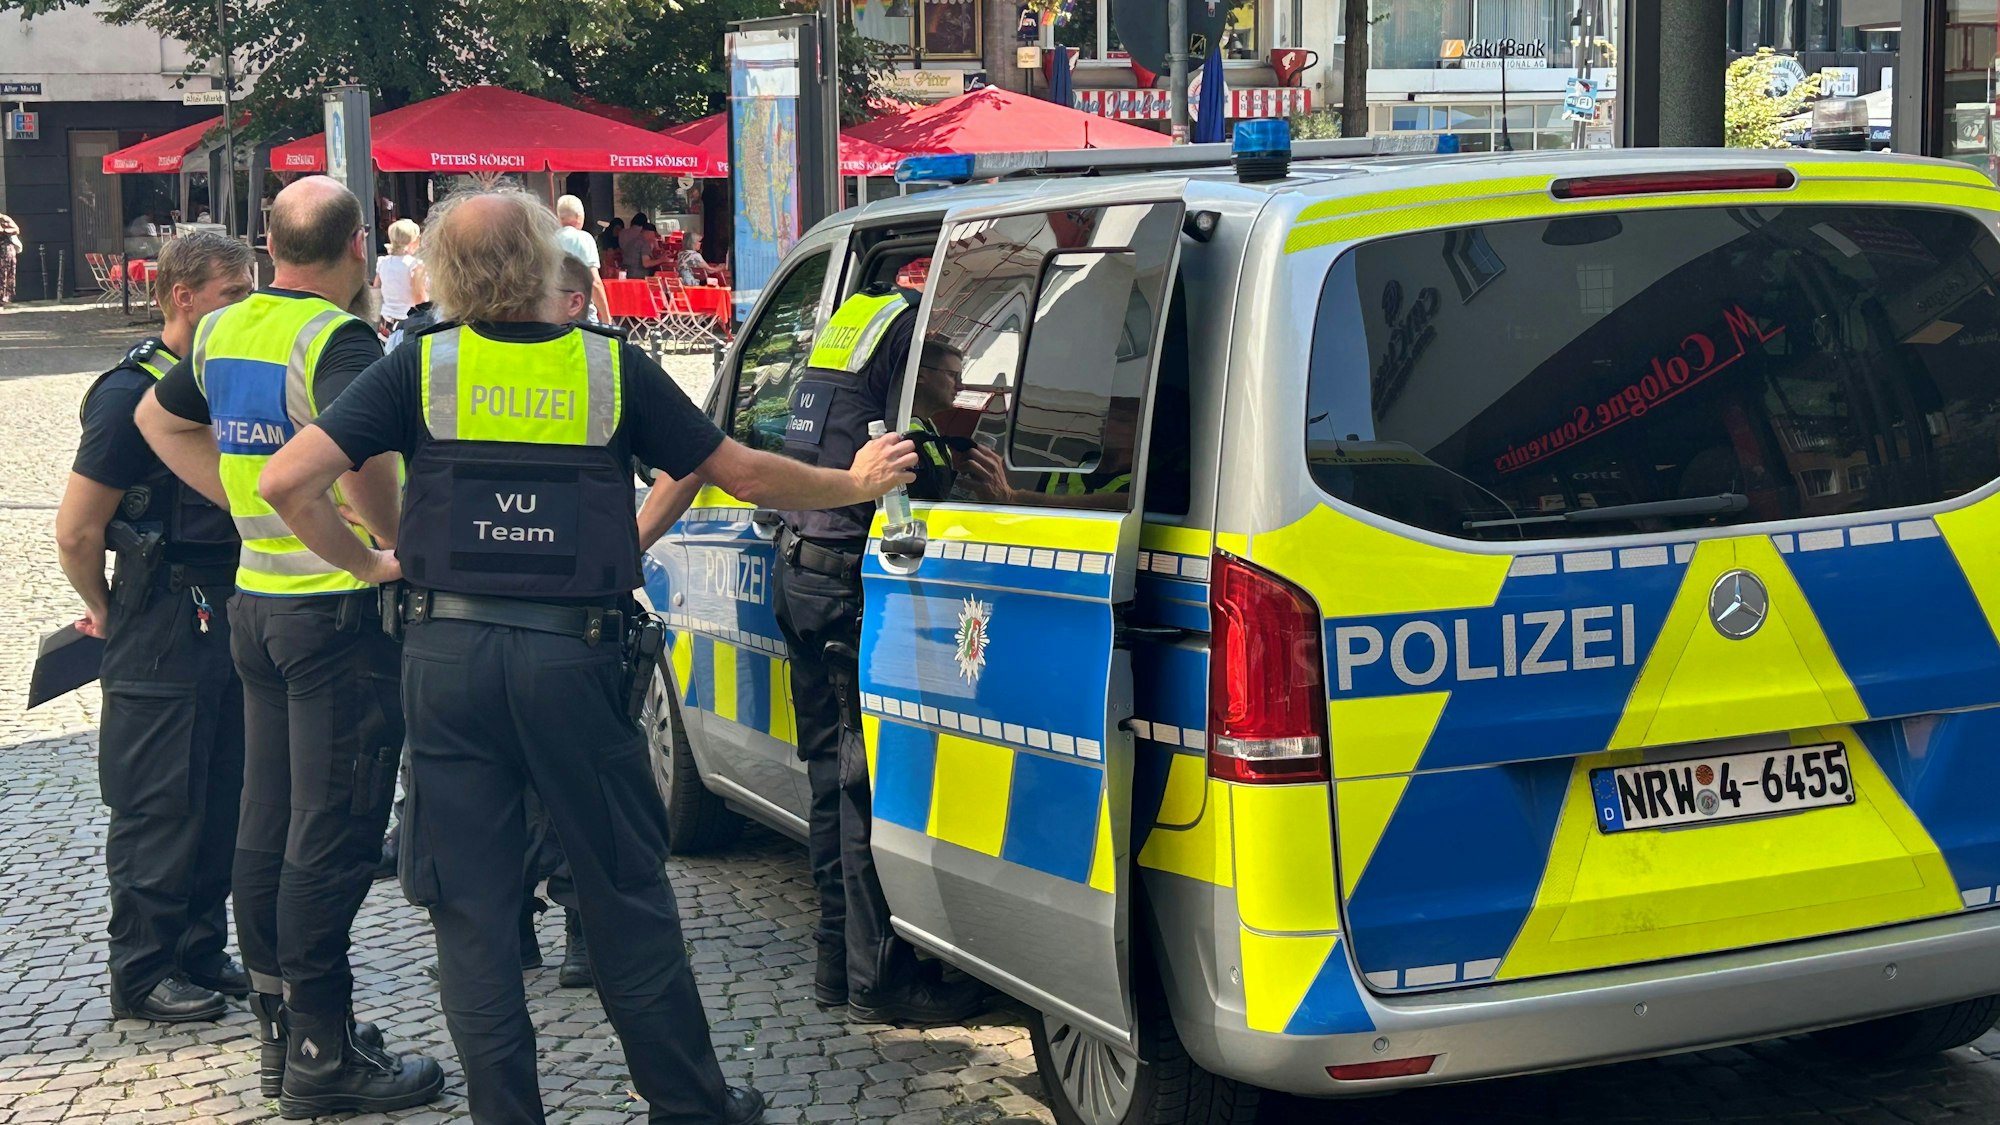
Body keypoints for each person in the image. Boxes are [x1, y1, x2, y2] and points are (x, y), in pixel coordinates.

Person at [256, 186, 918, 1125]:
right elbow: (738, 471)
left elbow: (289, 481)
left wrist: (373, 562)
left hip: (446, 661)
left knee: (473, 917)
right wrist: (852, 479)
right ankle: (689, 1103)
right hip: (575, 660)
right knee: (621, 891)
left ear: (442, 272)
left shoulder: (420, 367)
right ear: (544, 263)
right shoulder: (611, 368)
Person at [134, 176, 443, 1119]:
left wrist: (243, 500)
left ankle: (283, 1034)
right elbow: (367, 459)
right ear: (360, 251)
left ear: (269, 248)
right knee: (333, 835)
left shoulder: (225, 328)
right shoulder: (337, 339)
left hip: (256, 608)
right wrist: (387, 554)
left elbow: (158, 417)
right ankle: (321, 1053)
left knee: (264, 823)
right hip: (334, 619)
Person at [773, 279, 990, 1028]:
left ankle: (838, 965)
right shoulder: (902, 338)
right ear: (922, 370)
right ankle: (878, 979)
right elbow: (896, 478)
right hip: (842, 586)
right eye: (952, 381)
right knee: (858, 789)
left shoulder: (853, 320)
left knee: (830, 779)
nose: (956, 395)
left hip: (802, 568)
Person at [53, 232, 256, 1023]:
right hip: (161, 610)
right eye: (235, 292)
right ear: (185, 297)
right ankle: (142, 971)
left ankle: (200, 949)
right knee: (158, 800)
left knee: (223, 790)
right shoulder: (126, 393)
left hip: (228, 606)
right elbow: (76, 529)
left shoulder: (225, 380)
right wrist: (103, 608)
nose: (248, 304)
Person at [554, 195, 610, 322]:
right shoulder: (584, 239)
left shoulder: (548, 240)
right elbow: (594, 283)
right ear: (579, 216)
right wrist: (607, 318)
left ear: (559, 218)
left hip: (553, 313)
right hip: (581, 311)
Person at [373, 219, 426, 334]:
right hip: (408, 322)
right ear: (414, 241)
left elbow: (376, 288)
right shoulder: (415, 265)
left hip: (386, 321)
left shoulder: (383, 262)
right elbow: (420, 298)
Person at [619, 212, 652, 279]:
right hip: (638, 271)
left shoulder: (622, 232)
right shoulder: (641, 237)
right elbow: (646, 263)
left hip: (625, 265)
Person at [0, 212, 19, 305]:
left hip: (5, 250)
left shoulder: (4, 219)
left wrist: (3, 230)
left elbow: (16, 229)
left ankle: (4, 297)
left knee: (5, 272)